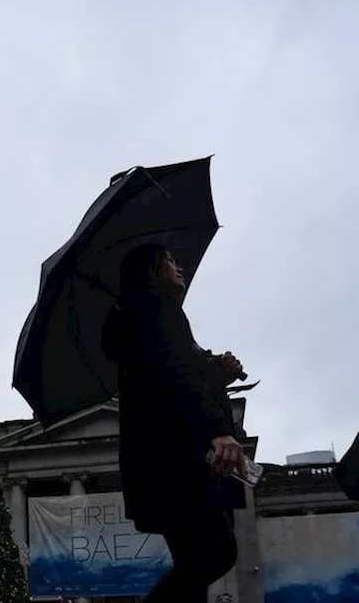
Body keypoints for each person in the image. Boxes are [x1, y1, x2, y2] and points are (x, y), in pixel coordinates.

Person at [100, 244, 247, 603]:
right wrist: (217, 429)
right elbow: (177, 374)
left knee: (193, 565)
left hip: (156, 466)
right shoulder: (158, 310)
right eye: (167, 260)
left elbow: (165, 381)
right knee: (217, 552)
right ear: (150, 271)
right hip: (178, 462)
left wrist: (216, 375)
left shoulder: (137, 318)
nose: (177, 266)